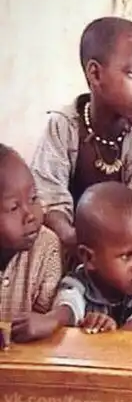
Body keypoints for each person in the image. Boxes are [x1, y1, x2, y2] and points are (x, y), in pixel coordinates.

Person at [30, 17, 132, 260]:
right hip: (69, 244)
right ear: (95, 74)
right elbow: (47, 194)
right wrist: (67, 235)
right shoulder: (63, 126)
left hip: (128, 246)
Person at [13, 182, 132, 342]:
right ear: (88, 257)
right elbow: (68, 305)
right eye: (126, 256)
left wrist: (112, 334)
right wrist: (52, 320)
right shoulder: (78, 282)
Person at [0, 145, 62, 347]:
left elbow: (47, 319)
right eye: (14, 207)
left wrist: (42, 322)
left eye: (33, 198)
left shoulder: (46, 247)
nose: (30, 215)